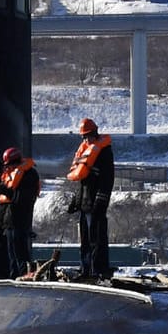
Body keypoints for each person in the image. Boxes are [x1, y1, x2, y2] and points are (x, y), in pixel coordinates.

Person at [66, 117, 115, 280]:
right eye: (84, 137)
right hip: (85, 203)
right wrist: (76, 201)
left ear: (95, 133)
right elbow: (83, 183)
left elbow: (107, 179)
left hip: (95, 202)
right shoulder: (86, 152)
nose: (86, 139)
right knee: (86, 240)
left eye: (88, 136)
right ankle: (86, 268)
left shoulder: (104, 152)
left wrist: (101, 200)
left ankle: (98, 269)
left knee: (97, 238)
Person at [0, 147, 39, 278]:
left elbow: (22, 199)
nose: (8, 168)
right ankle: (14, 277)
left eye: (9, 165)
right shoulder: (13, 174)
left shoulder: (29, 175)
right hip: (10, 221)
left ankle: (24, 276)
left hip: (19, 220)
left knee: (20, 254)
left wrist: (5, 191)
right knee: (12, 256)